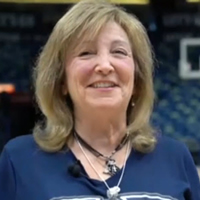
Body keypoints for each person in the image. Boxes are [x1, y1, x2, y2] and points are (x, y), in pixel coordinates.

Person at [0, 0, 200, 200]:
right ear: (61, 81)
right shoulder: (19, 161)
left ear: (137, 80)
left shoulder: (176, 158)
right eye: (86, 53)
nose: (105, 66)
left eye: (119, 52)